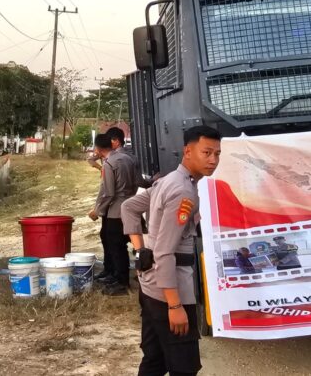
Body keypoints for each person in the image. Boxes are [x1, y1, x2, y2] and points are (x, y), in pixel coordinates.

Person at [122, 125, 222, 376]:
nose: (213, 160)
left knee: (154, 361)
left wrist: (140, 251)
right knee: (184, 367)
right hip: (170, 290)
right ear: (188, 151)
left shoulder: (169, 181)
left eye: (217, 154)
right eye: (206, 152)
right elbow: (166, 252)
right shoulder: (182, 191)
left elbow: (129, 207)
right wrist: (175, 306)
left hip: (151, 286)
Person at [88, 133, 136, 296]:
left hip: (115, 210)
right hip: (130, 205)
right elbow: (137, 182)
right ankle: (118, 277)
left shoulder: (110, 164)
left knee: (116, 246)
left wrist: (98, 211)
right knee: (120, 244)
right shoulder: (128, 158)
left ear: (98, 149)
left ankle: (121, 281)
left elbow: (109, 193)